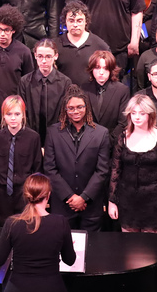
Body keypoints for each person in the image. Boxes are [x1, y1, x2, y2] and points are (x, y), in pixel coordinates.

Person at [43, 86, 109, 232]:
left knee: (92, 245)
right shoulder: (53, 132)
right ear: (65, 110)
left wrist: (83, 197)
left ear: (86, 107)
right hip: (63, 205)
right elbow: (49, 168)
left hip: (91, 206)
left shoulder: (101, 133)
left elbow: (102, 171)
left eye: (80, 107)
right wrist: (71, 197)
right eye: (71, 108)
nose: (75, 111)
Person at [109, 93, 157, 233]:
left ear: (150, 114)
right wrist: (112, 201)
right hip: (127, 200)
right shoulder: (122, 138)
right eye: (133, 113)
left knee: (150, 244)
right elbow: (115, 171)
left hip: (152, 201)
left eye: (142, 113)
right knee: (128, 243)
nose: (137, 117)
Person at [0, 95, 42, 222]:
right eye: (9, 114)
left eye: (17, 114)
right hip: (1, 196)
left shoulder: (33, 138)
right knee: (4, 229)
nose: (13, 118)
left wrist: (35, 200)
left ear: (23, 115)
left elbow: (37, 170)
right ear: (3, 116)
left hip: (25, 196)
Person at [17, 39, 71, 145]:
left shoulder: (65, 82)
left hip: (57, 138)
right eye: (40, 56)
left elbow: (65, 114)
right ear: (35, 56)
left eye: (48, 56)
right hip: (29, 138)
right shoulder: (25, 81)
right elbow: (22, 112)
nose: (44, 61)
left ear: (55, 56)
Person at [0, 5, 35, 102]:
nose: (2, 34)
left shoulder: (24, 51)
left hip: (14, 103)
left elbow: (28, 81)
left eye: (6, 30)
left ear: (13, 30)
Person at [56, 0, 110, 88]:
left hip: (91, 94)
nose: (75, 24)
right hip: (63, 94)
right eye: (71, 21)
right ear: (65, 21)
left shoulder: (100, 46)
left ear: (86, 21)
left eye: (79, 21)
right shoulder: (56, 46)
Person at [81, 50, 130, 134]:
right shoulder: (84, 88)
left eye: (105, 68)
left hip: (113, 139)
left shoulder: (122, 90)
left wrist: (108, 139)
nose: (101, 72)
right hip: (88, 138)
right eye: (97, 68)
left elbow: (123, 122)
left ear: (111, 70)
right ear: (92, 69)